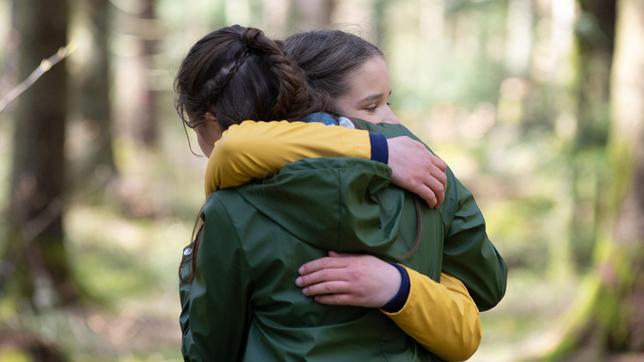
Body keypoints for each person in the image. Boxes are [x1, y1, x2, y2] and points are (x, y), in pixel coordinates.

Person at [176, 25, 502, 361]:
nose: (392, 121)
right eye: (371, 106)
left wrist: (194, 267)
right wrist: (403, 286)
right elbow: (486, 285)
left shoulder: (235, 204)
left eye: (387, 103)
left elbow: (209, 350)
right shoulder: (423, 168)